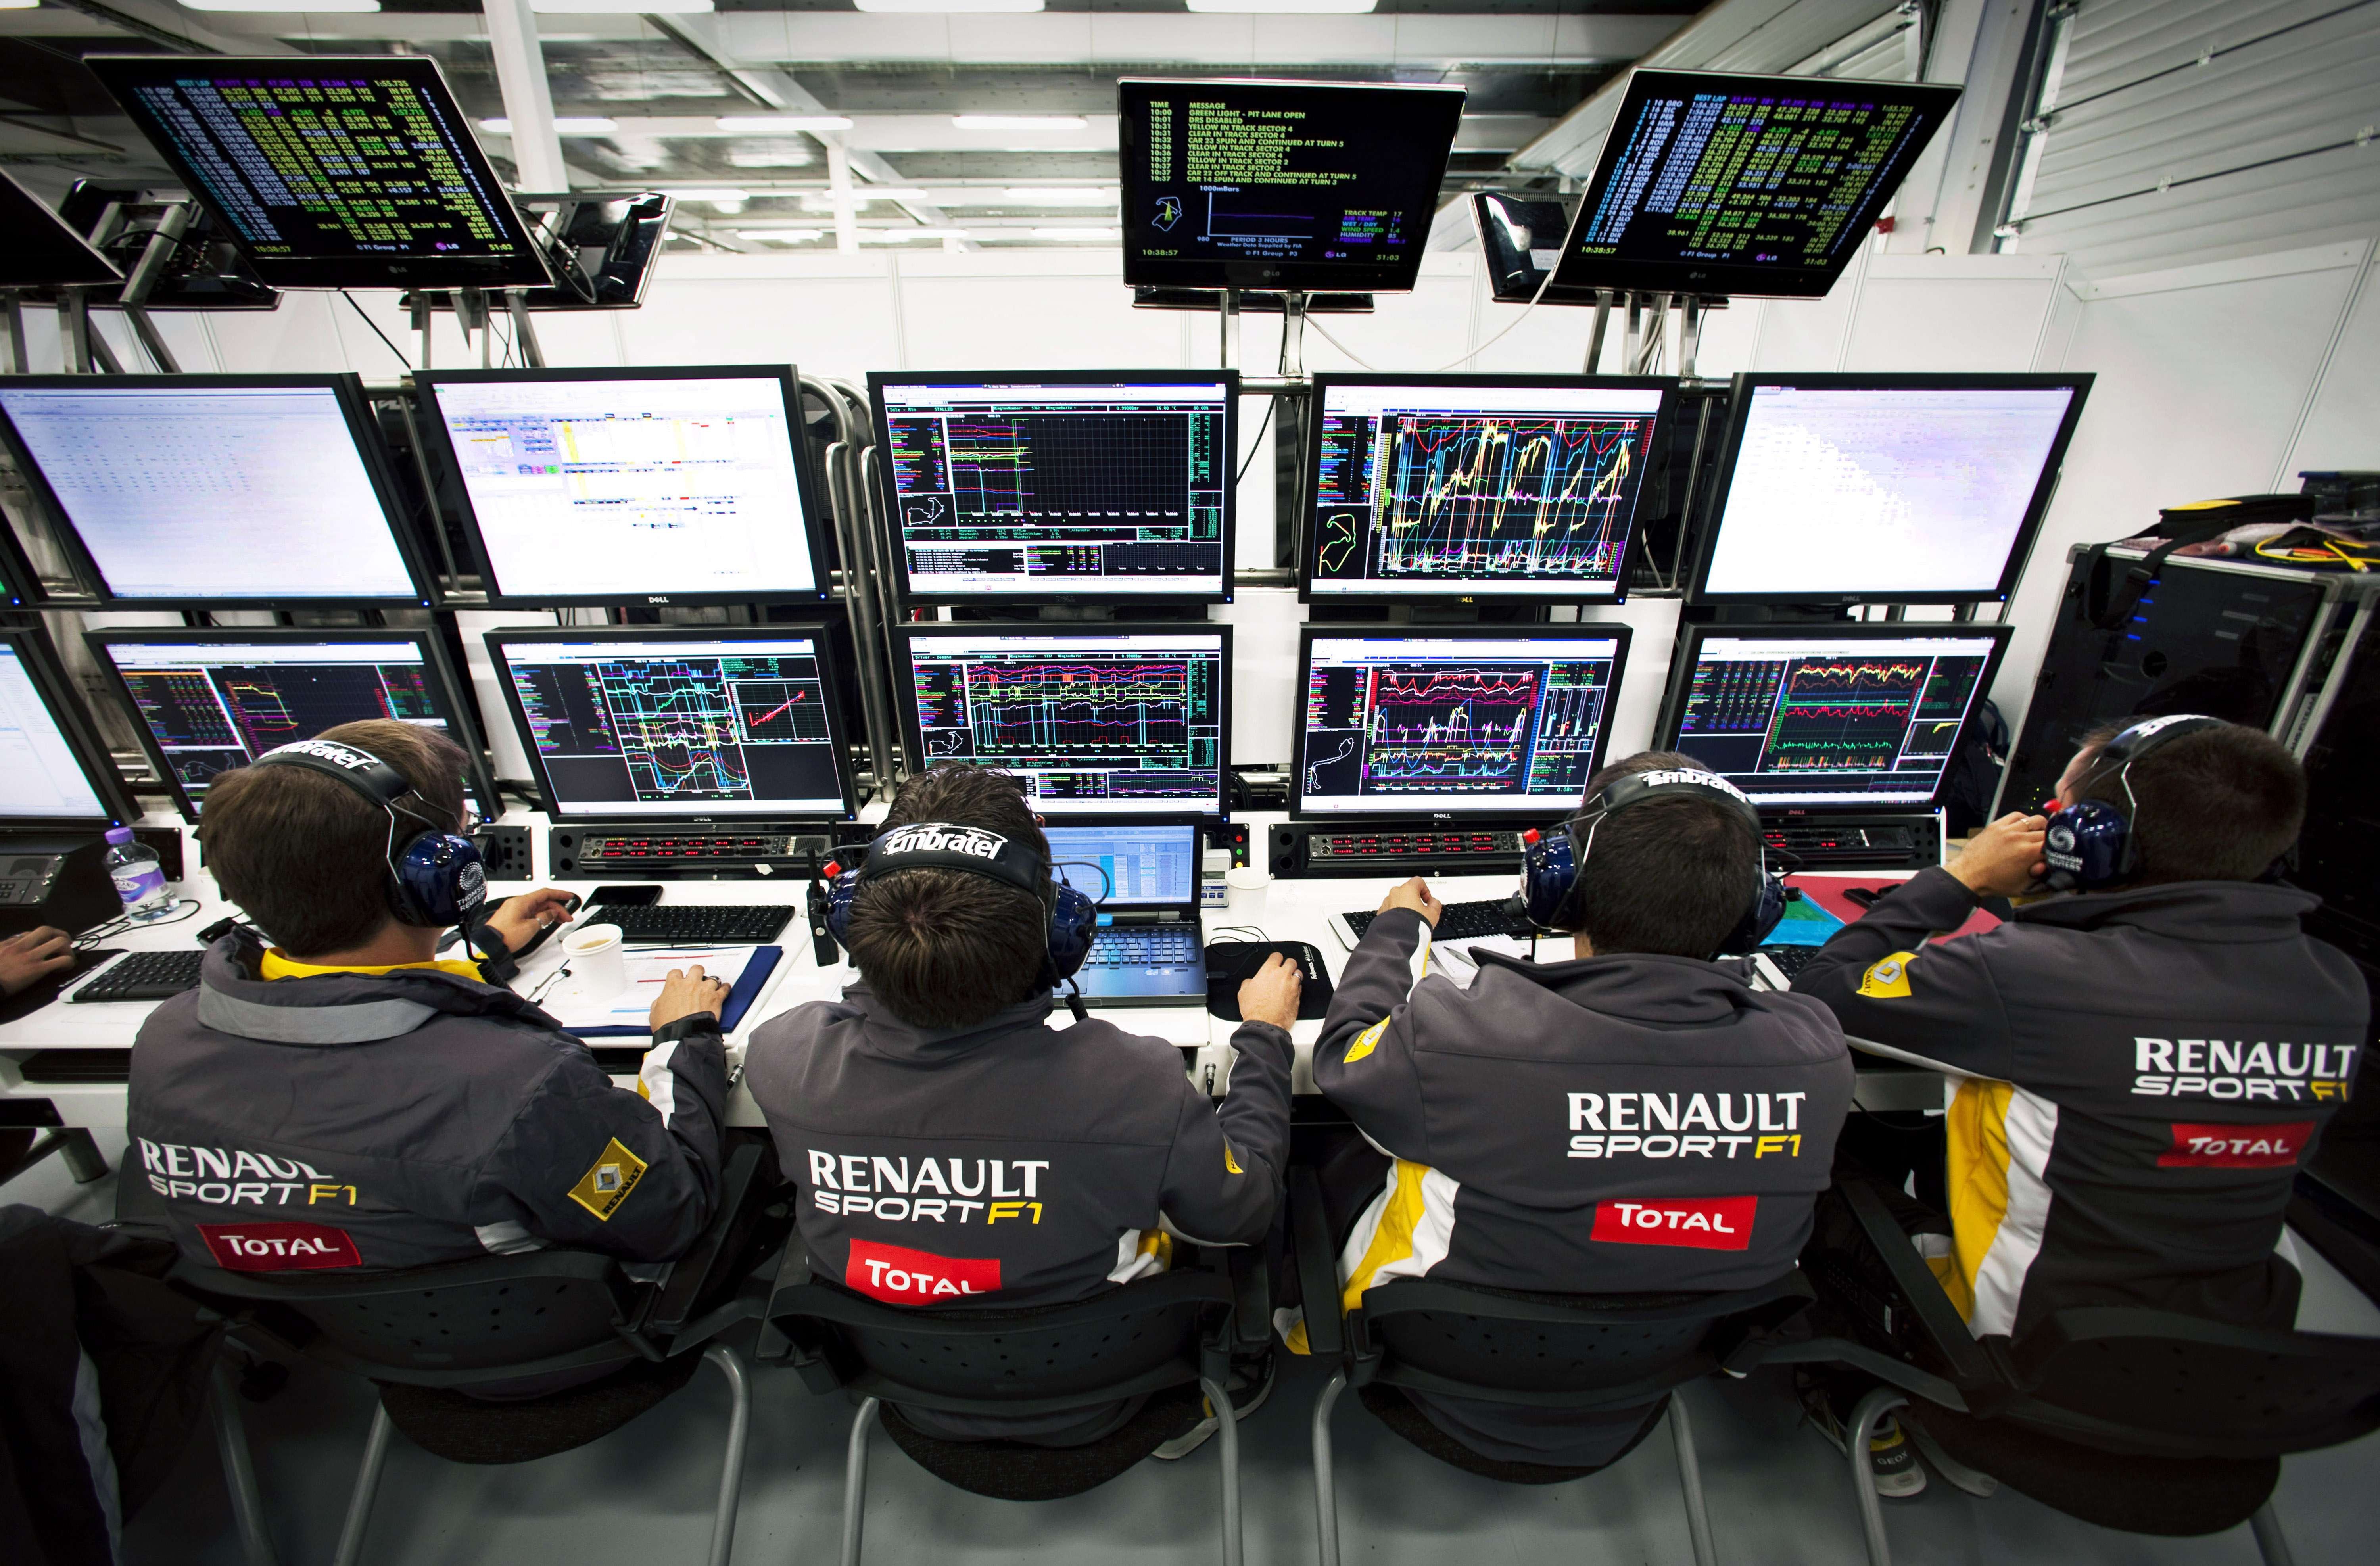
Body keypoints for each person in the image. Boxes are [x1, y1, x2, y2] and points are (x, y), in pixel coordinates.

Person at [1296, 752, 1855, 1476]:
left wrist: (1398, 929)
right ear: (1755, 912)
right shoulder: (1815, 1054)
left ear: (1559, 885)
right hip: (1649, 1368)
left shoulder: (1467, 1039)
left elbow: (1343, 1055)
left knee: (1310, 1156)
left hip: (1434, 1359)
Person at [742, 762, 1299, 1452]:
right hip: (1107, 1388)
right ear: (1060, 938)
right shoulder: (1136, 1084)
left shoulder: (781, 1055)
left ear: (854, 921)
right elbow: (1242, 1215)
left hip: (908, 1387)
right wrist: (1268, 1040)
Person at [1793, 716, 2368, 1341]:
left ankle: (1838, 1387)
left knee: (1813, 1167)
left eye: (2055, 814)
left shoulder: (2023, 975)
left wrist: (1962, 879)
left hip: (2024, 1347)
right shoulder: (2334, 986)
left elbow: (1824, 993)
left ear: (2086, 842)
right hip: (2236, 1350)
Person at [128, 719, 731, 1277]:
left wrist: (485, 948)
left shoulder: (167, 1037)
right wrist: (683, 1042)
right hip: (542, 1339)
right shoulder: (520, 1083)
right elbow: (669, 1217)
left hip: (336, 1342)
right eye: (463, 840)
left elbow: (347, 1002)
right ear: (443, 882)